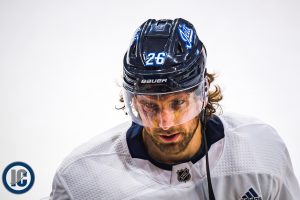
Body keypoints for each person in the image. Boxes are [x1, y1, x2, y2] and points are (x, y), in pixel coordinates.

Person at [50, 18, 300, 200]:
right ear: (133, 102)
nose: (165, 122)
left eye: (177, 103)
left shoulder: (261, 150)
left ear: (202, 93)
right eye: (149, 106)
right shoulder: (81, 180)